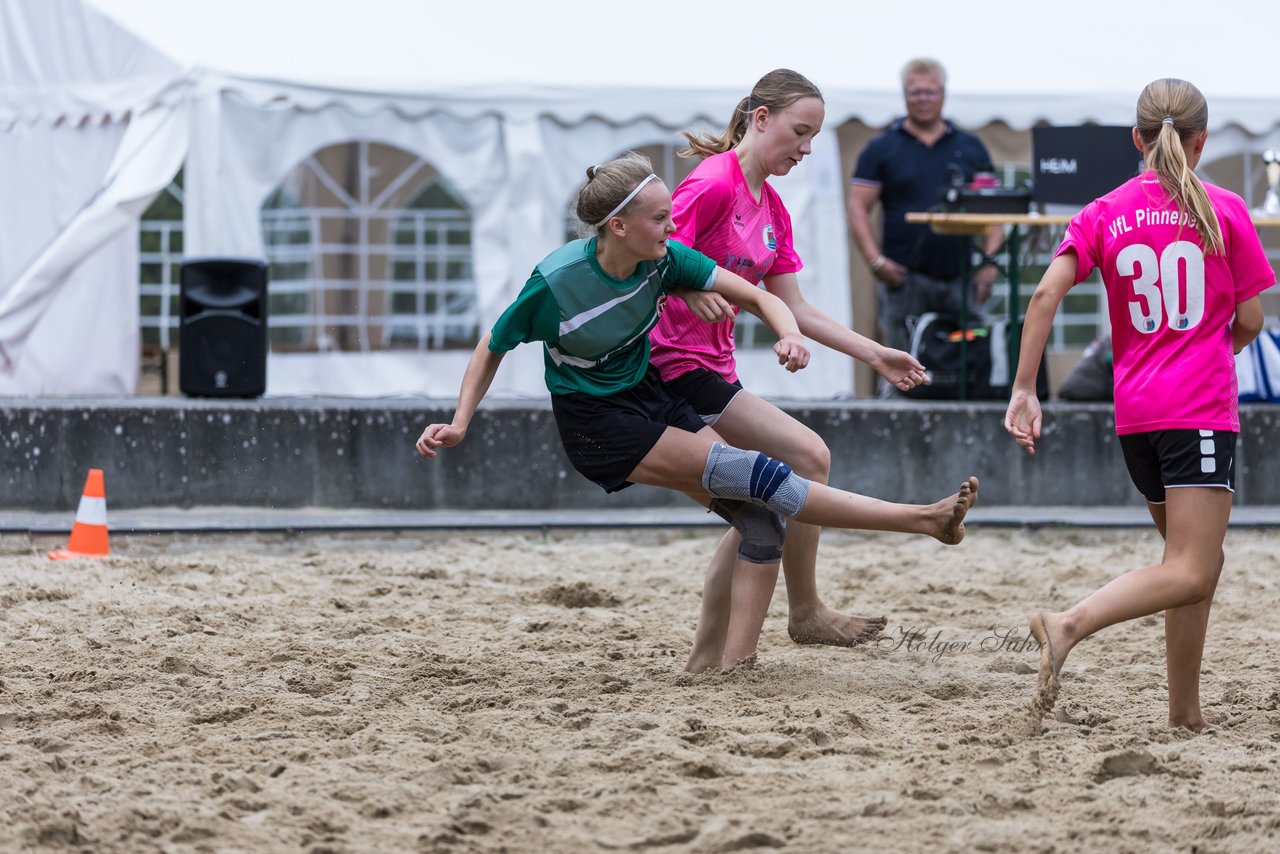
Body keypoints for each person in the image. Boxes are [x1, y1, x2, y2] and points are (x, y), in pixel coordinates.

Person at [416, 152, 980, 674]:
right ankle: (919, 520)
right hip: (599, 426)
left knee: (761, 522)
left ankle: (721, 669)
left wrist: (788, 335)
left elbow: (763, 296)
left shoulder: (664, 259)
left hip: (651, 396)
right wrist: (462, 420)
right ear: (618, 226)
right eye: (661, 219)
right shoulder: (558, 282)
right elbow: (492, 345)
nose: (672, 227)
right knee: (765, 477)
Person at [1004, 79, 1274, 731]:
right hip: (1198, 411)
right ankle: (1068, 624)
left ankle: (1185, 714)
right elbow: (1252, 320)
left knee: (1187, 567)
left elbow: (1042, 298)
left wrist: (1024, 389)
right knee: (1191, 568)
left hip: (1137, 417)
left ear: (1137, 138)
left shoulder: (1105, 210)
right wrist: (1212, 349)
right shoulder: (1226, 208)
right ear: (1201, 141)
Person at [648, 68, 931, 665]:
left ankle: (713, 655)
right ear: (760, 118)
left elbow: (794, 305)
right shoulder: (713, 183)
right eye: (799, 133)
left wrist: (872, 353)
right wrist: (687, 286)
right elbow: (646, 256)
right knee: (808, 457)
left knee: (756, 508)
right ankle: (804, 612)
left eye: (813, 138)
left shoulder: (771, 205)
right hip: (673, 367)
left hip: (715, 367)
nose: (806, 148)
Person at [847, 58, 1004, 358]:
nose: (923, 100)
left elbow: (993, 212)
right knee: (901, 363)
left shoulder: (971, 147)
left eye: (930, 92)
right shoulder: (882, 147)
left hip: (962, 275)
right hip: (903, 277)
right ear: (904, 95)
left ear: (943, 93)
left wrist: (988, 265)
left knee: (968, 361)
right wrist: (874, 261)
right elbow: (857, 207)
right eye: (915, 92)